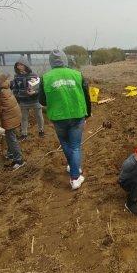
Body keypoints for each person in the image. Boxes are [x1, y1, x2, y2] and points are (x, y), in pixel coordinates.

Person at [38, 49, 91, 190]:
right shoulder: (77, 75)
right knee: (75, 145)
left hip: (58, 116)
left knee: (66, 144)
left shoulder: (45, 78)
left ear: (51, 62)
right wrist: (88, 113)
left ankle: (73, 167)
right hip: (76, 114)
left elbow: (42, 101)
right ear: (65, 60)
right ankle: (75, 177)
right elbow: (86, 95)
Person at [11, 56, 45, 141]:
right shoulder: (16, 76)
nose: (19, 67)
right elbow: (15, 88)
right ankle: (24, 134)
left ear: (26, 65)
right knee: (23, 118)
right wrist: (16, 97)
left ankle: (41, 131)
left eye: (21, 65)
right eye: (18, 65)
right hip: (23, 101)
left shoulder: (33, 75)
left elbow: (38, 88)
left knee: (39, 116)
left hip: (35, 100)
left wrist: (35, 92)